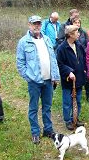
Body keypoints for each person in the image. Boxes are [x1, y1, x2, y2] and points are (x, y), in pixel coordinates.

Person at [16, 15, 60, 144]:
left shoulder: (46, 39)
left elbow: (53, 59)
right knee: (33, 108)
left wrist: (55, 76)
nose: (37, 26)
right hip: (34, 82)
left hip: (48, 80)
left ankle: (48, 130)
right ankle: (35, 132)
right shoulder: (23, 42)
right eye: (34, 24)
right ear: (29, 25)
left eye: (39, 24)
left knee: (47, 106)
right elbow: (20, 63)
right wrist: (28, 77)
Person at [57, 25, 86, 131]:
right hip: (68, 80)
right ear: (70, 34)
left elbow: (83, 58)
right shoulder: (62, 48)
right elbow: (60, 64)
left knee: (78, 100)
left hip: (79, 78)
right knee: (67, 102)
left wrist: (85, 69)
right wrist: (69, 71)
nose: (78, 34)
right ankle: (68, 121)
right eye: (76, 32)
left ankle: (75, 118)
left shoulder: (79, 45)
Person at [71, 15, 89, 104]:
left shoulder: (83, 33)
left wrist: (84, 52)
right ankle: (75, 93)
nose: (77, 24)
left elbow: (88, 44)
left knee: (87, 76)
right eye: (75, 22)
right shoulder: (70, 33)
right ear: (72, 24)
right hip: (73, 57)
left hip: (83, 56)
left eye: (78, 22)